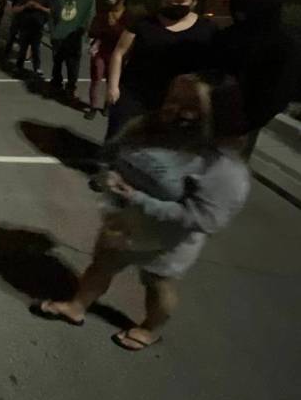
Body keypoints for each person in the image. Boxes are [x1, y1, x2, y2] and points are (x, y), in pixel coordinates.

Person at [33, 72, 250, 351]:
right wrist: (110, 176)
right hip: (125, 222)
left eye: (190, 105)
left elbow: (204, 219)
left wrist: (137, 198)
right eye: (173, 99)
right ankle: (76, 307)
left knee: (158, 285)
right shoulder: (154, 128)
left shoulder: (222, 168)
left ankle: (150, 329)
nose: (175, 109)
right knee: (101, 266)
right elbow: (119, 155)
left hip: (168, 241)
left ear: (215, 114)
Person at [106, 0, 216, 139]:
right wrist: (113, 87)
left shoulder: (206, 30)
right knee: (120, 133)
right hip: (135, 91)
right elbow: (119, 52)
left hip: (175, 98)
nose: (175, 6)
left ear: (193, 1)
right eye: (170, 2)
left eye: (180, 2)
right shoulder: (144, 24)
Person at [213, 0, 301, 159]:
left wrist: (245, 124)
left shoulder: (283, 45)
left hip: (246, 125)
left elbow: (278, 91)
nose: (241, 9)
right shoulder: (229, 36)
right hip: (212, 117)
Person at [87, 0, 130, 119]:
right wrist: (108, 28)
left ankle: (107, 106)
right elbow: (92, 31)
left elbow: (128, 35)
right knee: (96, 80)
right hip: (101, 51)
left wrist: (114, 27)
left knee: (112, 81)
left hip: (118, 53)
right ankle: (93, 107)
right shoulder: (103, 14)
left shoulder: (129, 15)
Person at [49, 0, 96, 98]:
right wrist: (53, 32)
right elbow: (52, 15)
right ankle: (56, 83)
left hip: (74, 37)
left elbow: (90, 16)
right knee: (57, 62)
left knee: (73, 64)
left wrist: (86, 33)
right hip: (58, 36)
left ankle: (71, 87)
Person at [11, 0, 52, 77]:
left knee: (36, 48)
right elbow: (14, 9)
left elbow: (52, 10)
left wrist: (39, 7)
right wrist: (25, 6)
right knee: (22, 48)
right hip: (24, 25)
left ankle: (37, 68)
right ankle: (18, 66)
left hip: (38, 25)